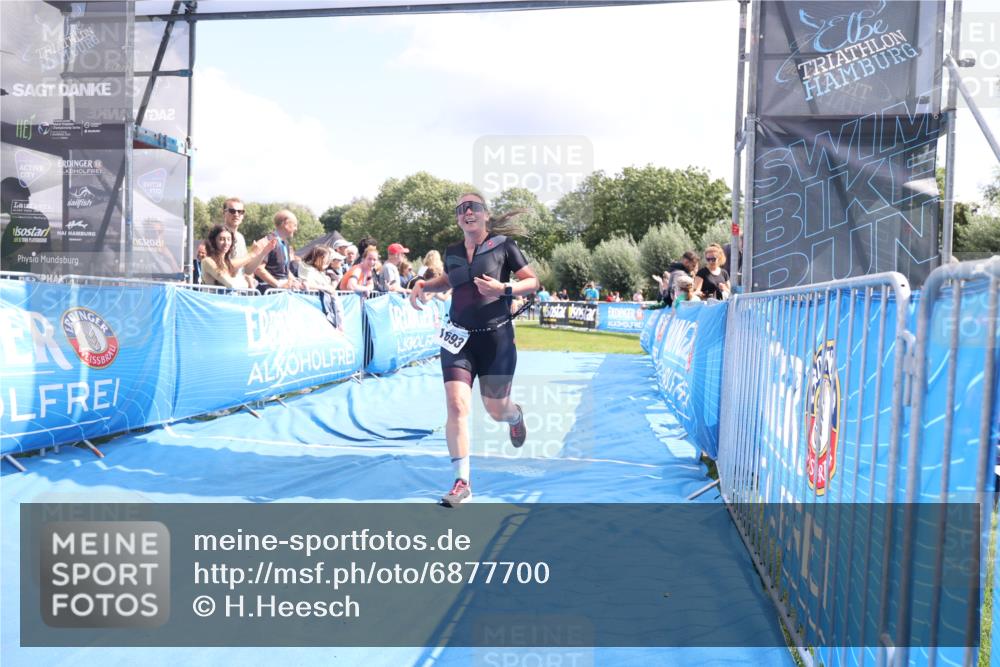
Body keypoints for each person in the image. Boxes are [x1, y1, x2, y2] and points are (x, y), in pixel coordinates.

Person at [409, 192, 538, 507]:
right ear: (458, 218)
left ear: (485, 215)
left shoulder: (504, 246)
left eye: (474, 207)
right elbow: (449, 282)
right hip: (458, 339)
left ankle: (514, 416)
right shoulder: (452, 251)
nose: (468, 212)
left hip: (496, 340)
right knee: (456, 406)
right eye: (462, 209)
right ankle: (461, 481)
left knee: (497, 410)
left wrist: (503, 289)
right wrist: (422, 285)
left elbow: (532, 282)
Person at [201, 224, 275, 289]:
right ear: (214, 241)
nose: (226, 243)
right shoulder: (208, 261)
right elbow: (231, 284)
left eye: (229, 239)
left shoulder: (227, 262)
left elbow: (248, 270)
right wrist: (247, 282)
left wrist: (263, 252)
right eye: (221, 239)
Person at [255, 209, 304, 293]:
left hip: (280, 292)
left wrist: (297, 282)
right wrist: (279, 285)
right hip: (269, 293)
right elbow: (258, 269)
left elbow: (284, 270)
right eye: (295, 225)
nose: (296, 229)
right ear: (286, 223)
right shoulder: (267, 241)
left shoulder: (285, 243)